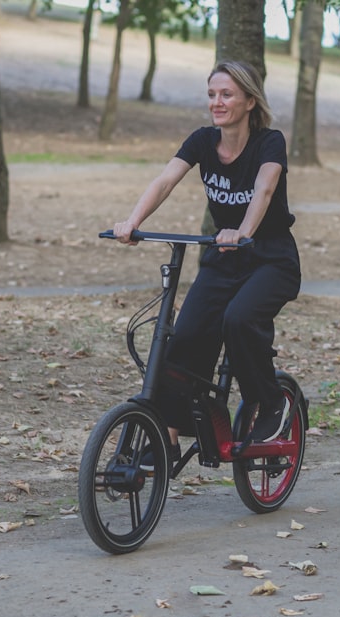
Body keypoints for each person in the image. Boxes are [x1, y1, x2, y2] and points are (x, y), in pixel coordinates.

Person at [112, 60, 301, 468]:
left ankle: (271, 405)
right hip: (224, 260)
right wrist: (133, 222)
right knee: (183, 340)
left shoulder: (270, 142)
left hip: (270, 259)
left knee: (238, 320)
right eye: (212, 94)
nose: (217, 102)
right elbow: (164, 181)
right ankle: (169, 437)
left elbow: (265, 189)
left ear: (250, 101)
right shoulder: (202, 141)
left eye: (227, 94)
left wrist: (243, 231)